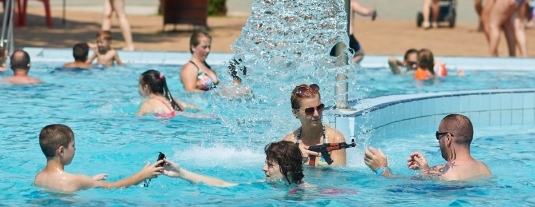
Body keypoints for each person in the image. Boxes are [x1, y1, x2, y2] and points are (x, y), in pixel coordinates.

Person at [33, 124, 164, 192]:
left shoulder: (39, 177)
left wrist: (89, 182)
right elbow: (113, 186)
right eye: (73, 145)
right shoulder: (76, 180)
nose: (75, 149)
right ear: (61, 150)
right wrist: (143, 175)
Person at [364, 114, 491, 181]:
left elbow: (398, 186)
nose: (438, 140)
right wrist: (426, 169)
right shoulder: (484, 168)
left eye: (438, 135)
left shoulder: (442, 172)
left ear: (448, 138)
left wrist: (381, 169)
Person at [160, 141, 305, 188]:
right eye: (265, 163)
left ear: (288, 169)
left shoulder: (306, 193)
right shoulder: (266, 185)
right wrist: (180, 173)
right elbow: (222, 184)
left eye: (270, 165)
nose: (263, 168)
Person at [283, 83, 348, 166]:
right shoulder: (288, 143)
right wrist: (298, 160)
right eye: (309, 110)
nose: (316, 114)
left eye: (319, 108)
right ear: (295, 113)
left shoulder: (335, 139)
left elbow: (339, 174)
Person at [348, 0, 376, 64]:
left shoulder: (329, 4)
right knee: (360, 54)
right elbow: (366, 12)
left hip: (332, 38)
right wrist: (374, 11)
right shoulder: (351, 4)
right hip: (348, 37)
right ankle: (350, 65)